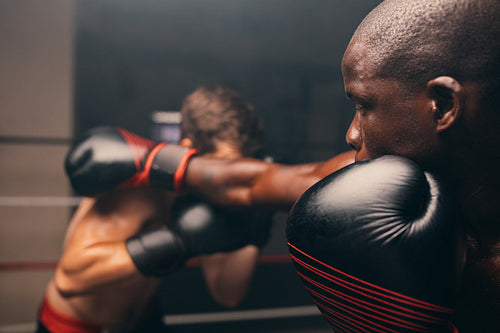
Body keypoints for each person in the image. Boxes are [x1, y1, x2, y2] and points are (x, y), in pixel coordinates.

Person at [64, 0, 499, 332]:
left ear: (442, 105)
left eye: (364, 105)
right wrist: (157, 160)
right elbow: (256, 183)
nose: (350, 134)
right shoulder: (368, 177)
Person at [36, 86, 273, 333]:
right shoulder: (139, 188)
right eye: (225, 166)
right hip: (76, 326)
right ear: (188, 148)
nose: (233, 179)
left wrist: (252, 222)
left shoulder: (212, 197)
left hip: (142, 320)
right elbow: (69, 279)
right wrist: (177, 241)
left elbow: (227, 294)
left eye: (243, 168)